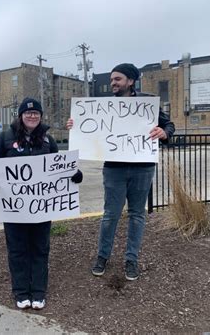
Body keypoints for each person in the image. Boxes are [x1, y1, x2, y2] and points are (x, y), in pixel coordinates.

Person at [66, 63, 175, 281]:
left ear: (130, 81)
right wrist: (74, 125)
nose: (113, 83)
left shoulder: (146, 102)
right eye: (112, 79)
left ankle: (131, 259)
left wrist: (164, 132)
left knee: (137, 215)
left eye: (118, 79)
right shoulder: (103, 105)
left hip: (142, 168)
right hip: (114, 169)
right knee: (110, 215)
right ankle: (102, 256)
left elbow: (170, 125)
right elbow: (89, 131)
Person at [0, 97, 83, 310]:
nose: (32, 116)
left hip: (41, 209)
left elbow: (59, 168)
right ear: (20, 115)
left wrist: (74, 175)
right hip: (13, 208)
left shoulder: (48, 141)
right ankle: (20, 292)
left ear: (40, 116)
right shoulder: (4, 138)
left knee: (40, 249)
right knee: (17, 250)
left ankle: (38, 291)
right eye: (28, 113)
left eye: (36, 113)